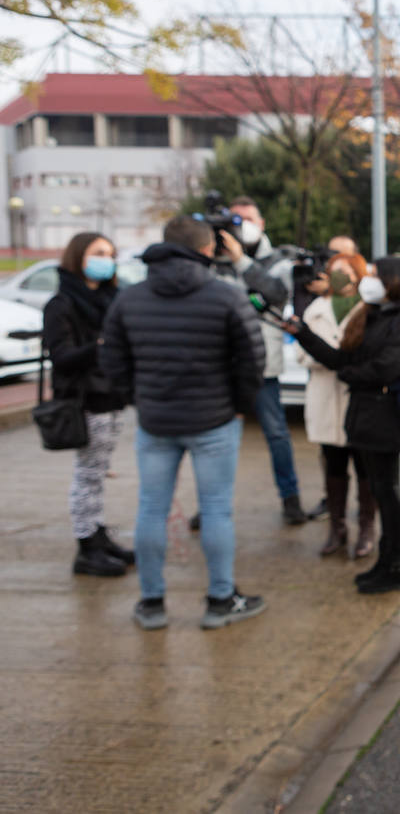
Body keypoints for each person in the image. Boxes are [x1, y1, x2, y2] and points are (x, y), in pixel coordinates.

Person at [101, 215, 267, 630]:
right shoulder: (225, 296)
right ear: (208, 250)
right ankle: (220, 599)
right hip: (214, 419)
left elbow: (113, 361)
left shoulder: (130, 298)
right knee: (215, 511)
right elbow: (252, 359)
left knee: (151, 509)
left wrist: (137, 399)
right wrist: (240, 406)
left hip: (156, 420)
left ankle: (152, 603)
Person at [287, 257, 400, 594]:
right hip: (362, 415)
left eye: (375, 276)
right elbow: (340, 358)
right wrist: (302, 335)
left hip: (386, 418)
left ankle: (395, 564)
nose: (369, 281)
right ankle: (384, 562)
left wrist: (351, 376)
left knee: (387, 492)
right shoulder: (368, 316)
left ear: (393, 282)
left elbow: (388, 366)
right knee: (378, 487)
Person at [205, 196, 302, 524]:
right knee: (214, 437)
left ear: (261, 224)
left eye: (246, 219)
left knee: (276, 432)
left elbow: (276, 293)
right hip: (221, 365)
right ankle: (209, 504)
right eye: (234, 219)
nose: (240, 225)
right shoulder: (212, 263)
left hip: (263, 363)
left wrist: (242, 262)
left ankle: (291, 499)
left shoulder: (278, 260)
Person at [42, 232, 133, 577]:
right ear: (78, 257)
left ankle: (97, 535)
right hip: (85, 401)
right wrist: (102, 345)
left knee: (96, 473)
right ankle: (86, 546)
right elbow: (62, 357)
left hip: (111, 398)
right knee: (88, 475)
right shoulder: (62, 304)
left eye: (110, 253)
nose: (105, 259)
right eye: (98, 253)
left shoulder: (112, 298)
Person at [297, 251, 377, 558]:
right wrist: (328, 358)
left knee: (365, 466)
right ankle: (337, 528)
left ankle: (367, 527)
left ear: (359, 274)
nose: (340, 275)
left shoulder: (369, 309)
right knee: (333, 465)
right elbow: (302, 354)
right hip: (324, 395)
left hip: (359, 398)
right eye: (335, 270)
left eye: (346, 270)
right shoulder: (316, 309)